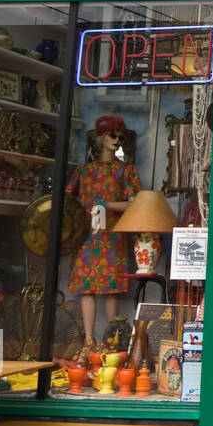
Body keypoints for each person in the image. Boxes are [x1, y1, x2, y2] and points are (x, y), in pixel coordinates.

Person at [67, 115, 140, 344]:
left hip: (112, 233)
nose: (117, 140)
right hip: (86, 234)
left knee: (111, 288)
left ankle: (113, 339)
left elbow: (135, 203)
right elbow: (67, 199)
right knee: (86, 287)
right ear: (100, 138)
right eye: (112, 135)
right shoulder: (83, 170)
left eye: (120, 136)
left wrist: (107, 204)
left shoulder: (126, 171)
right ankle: (89, 341)